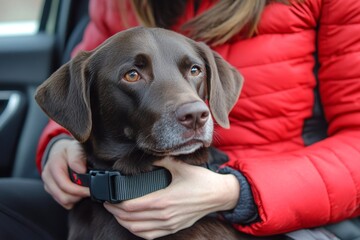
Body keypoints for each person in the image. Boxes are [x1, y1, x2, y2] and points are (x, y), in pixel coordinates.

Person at [6, 0, 360, 239]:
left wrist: (234, 192)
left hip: (262, 204)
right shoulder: (120, 3)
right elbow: (87, 87)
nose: (195, 108)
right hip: (107, 196)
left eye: (193, 71)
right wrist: (60, 141)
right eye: (134, 75)